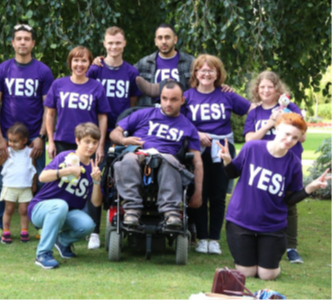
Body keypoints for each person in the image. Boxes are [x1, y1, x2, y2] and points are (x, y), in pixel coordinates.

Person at [217, 113, 331, 280]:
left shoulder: (293, 163)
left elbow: (289, 200)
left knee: (267, 275)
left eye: (295, 137)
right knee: (247, 273)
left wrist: (310, 187)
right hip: (241, 220)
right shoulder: (252, 148)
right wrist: (227, 160)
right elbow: (233, 174)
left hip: (272, 225)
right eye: (286, 133)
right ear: (277, 128)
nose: (289, 140)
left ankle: (265, 259)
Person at [0, 24, 54, 241]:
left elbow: (48, 108)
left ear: (33, 43)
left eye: (27, 39)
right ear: (13, 43)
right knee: (2, 183)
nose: (23, 42)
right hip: (10, 141)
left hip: (34, 138)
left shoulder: (43, 71)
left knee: (40, 182)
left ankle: (39, 225)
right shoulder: (2, 70)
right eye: (19, 38)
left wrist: (41, 136)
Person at [182, 54, 253, 255]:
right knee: (200, 192)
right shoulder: (187, 96)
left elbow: (252, 110)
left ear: (217, 74)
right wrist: (196, 133)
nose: (206, 73)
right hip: (198, 148)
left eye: (210, 70)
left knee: (218, 194)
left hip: (222, 148)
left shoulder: (227, 94)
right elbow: (178, 121)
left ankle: (214, 239)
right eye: (202, 69)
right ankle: (202, 238)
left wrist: (251, 134)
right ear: (196, 73)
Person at [109, 81, 203, 226]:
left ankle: (171, 212)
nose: (168, 103)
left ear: (182, 100)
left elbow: (197, 162)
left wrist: (198, 192)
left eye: (173, 99)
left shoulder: (188, 127)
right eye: (164, 98)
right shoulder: (143, 114)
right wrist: (124, 140)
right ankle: (132, 210)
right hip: (138, 153)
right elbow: (115, 133)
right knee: (127, 160)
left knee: (168, 161)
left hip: (167, 159)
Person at [84, 26, 141, 249]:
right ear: (104, 44)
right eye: (110, 43)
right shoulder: (95, 69)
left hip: (120, 133)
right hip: (97, 133)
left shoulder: (131, 72)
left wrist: (124, 131)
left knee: (120, 179)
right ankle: (93, 232)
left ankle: (120, 225)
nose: (114, 47)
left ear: (124, 44)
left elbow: (132, 107)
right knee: (95, 180)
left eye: (118, 43)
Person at [244, 71, 306, 263]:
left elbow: (301, 137)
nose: (265, 90)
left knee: (289, 202)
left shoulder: (290, 107)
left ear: (277, 89)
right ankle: (260, 239)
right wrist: (270, 124)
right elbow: (249, 140)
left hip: (288, 161)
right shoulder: (255, 112)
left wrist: (286, 118)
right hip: (263, 162)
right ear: (257, 89)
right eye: (262, 87)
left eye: (270, 87)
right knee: (261, 199)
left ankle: (291, 247)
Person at [28, 123, 102, 269]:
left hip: (65, 213)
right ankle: (43, 254)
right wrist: (65, 172)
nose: (91, 146)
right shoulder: (66, 157)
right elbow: (42, 177)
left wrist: (96, 181)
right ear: (77, 141)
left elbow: (96, 203)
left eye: (95, 142)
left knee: (88, 225)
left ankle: (62, 242)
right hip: (40, 209)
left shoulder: (93, 168)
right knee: (60, 205)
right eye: (87, 141)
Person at [45, 46, 110, 161]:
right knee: (64, 177)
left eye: (84, 61)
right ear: (70, 63)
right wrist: (50, 141)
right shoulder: (58, 84)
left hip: (88, 143)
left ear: (89, 63)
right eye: (76, 60)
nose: (79, 64)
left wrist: (100, 145)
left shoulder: (97, 86)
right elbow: (50, 114)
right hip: (63, 142)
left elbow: (102, 118)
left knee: (87, 177)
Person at [0, 123, 37, 244]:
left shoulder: (30, 153)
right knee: (8, 209)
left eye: (15, 141)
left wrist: (34, 184)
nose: (11, 144)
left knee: (24, 210)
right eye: (10, 140)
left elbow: (33, 169)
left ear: (24, 140)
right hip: (10, 186)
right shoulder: (7, 151)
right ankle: (6, 232)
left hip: (25, 187)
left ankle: (24, 231)